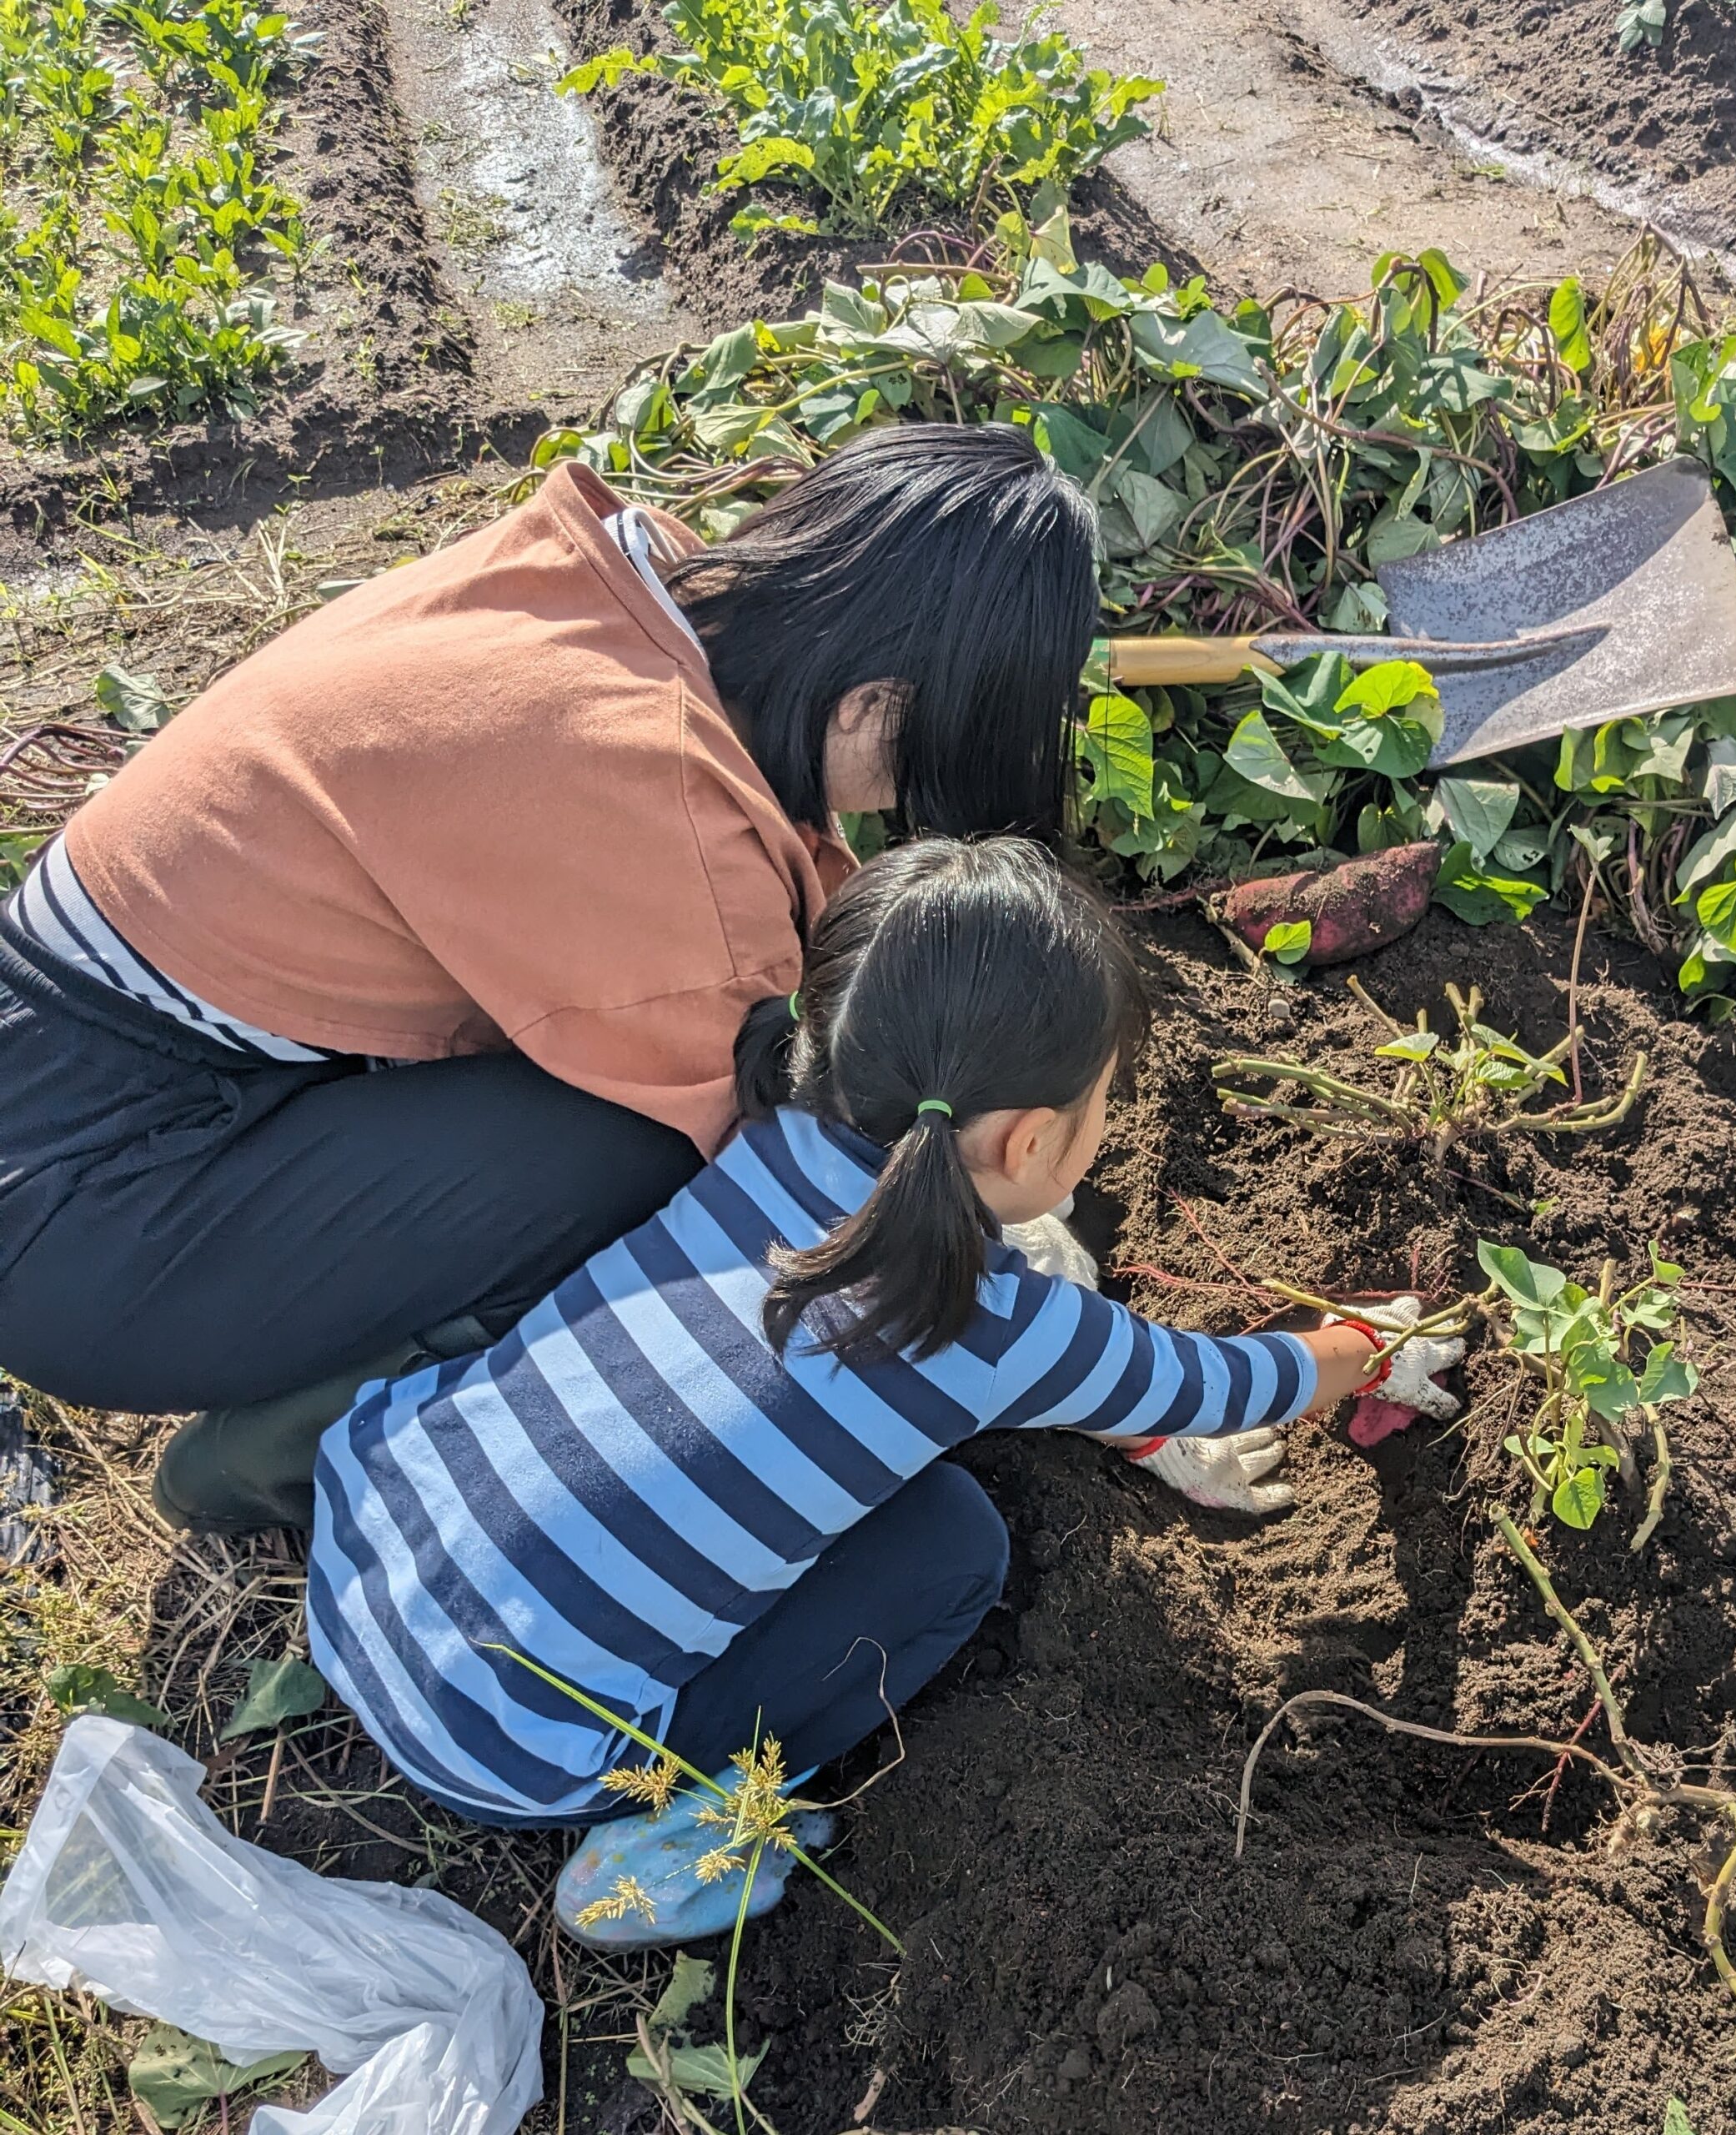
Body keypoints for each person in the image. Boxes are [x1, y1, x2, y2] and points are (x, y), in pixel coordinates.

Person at [303, 837, 1466, 1949]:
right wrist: (1371, 1343)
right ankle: (700, 1831)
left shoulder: (762, 1141)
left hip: (360, 1545)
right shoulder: (999, 1324)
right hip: (509, 1751)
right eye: (1104, 1103)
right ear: (1024, 1144)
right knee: (952, 1542)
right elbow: (1223, 1384)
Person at [0, 424, 1101, 1528]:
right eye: (916, 759)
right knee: (649, 1154)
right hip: (87, 1213)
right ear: (867, 703)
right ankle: (293, 1460)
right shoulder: (646, 798)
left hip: (86, 1065)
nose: (883, 804)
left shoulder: (621, 581)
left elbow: (789, 892)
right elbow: (788, 1159)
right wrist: (1002, 1275)